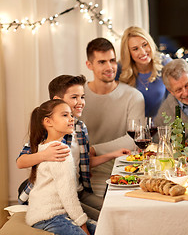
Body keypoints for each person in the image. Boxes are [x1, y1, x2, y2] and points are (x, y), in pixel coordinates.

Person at [17, 75, 129, 220]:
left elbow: (84, 162)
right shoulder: (48, 128)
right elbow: (21, 161)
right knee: (105, 219)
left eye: (82, 97)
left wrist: (113, 154)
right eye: (74, 97)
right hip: (57, 196)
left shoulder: (80, 128)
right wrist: (45, 154)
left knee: (113, 210)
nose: (80, 102)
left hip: (79, 191)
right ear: (57, 100)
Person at [80, 37, 145, 196]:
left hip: (122, 169)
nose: (109, 67)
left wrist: (95, 149)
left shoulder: (133, 96)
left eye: (112, 60)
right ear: (89, 65)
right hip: (85, 170)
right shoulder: (78, 95)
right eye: (102, 62)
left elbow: (134, 138)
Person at [25, 99, 96, 235]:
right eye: (65, 115)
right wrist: (82, 225)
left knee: (104, 229)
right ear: (48, 122)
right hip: (49, 217)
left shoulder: (46, 147)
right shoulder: (59, 151)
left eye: (71, 115)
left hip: (56, 213)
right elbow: (68, 195)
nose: (71, 119)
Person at [119, 26, 172, 118]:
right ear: (128, 53)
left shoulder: (165, 63)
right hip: (132, 127)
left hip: (161, 127)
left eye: (145, 45)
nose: (143, 52)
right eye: (135, 49)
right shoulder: (120, 69)